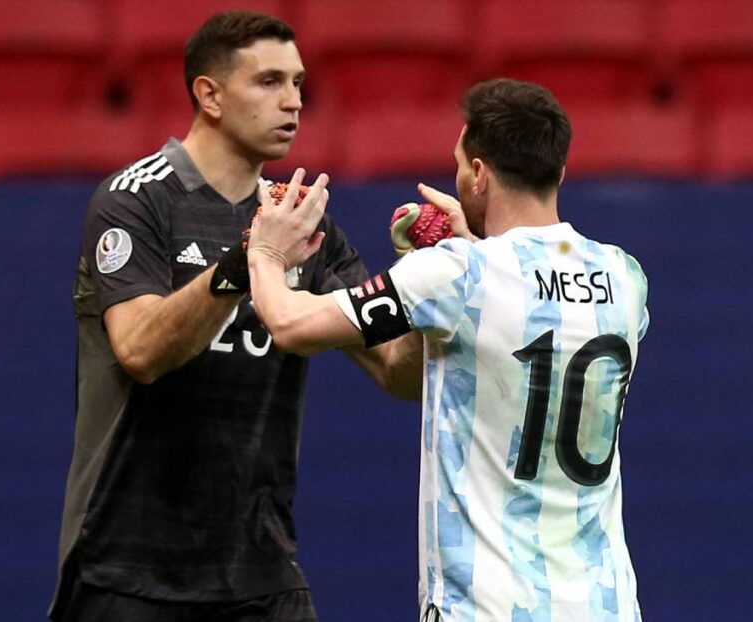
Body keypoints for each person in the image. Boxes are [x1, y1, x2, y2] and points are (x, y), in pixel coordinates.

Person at [51, 11, 419, 622]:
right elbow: (140, 352)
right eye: (270, 82)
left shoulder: (306, 227)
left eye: (299, 84)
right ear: (210, 94)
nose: (294, 102)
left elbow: (399, 374)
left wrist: (437, 285)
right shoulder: (135, 200)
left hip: (260, 574)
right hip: (126, 569)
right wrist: (246, 263)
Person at [247, 78, 650, 621]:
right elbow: (534, 309)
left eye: (461, 163)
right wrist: (470, 253)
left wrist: (267, 251)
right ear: (557, 171)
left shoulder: (454, 276)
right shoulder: (624, 276)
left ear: (479, 175)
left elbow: (290, 325)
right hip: (607, 605)